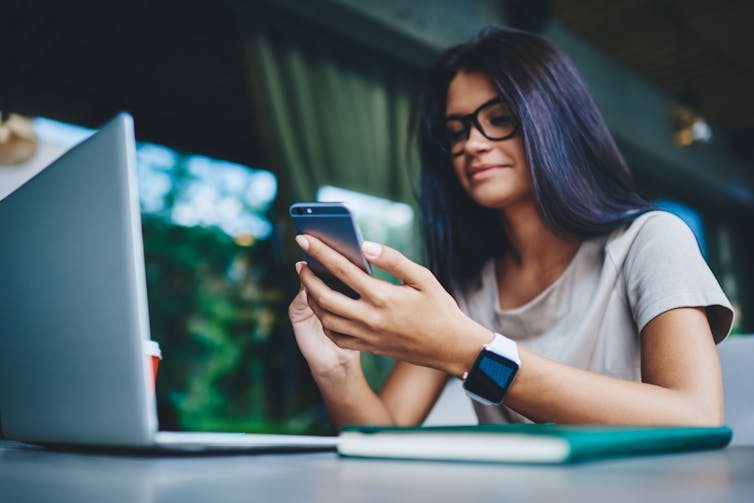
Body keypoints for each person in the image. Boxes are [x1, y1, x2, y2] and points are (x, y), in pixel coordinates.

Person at [288, 26, 733, 429]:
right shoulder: (466, 291)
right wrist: (337, 368)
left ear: (555, 123)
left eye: (499, 119)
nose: (472, 145)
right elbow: (384, 433)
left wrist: (468, 350)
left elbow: (694, 416)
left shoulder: (651, 240)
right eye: (456, 131)